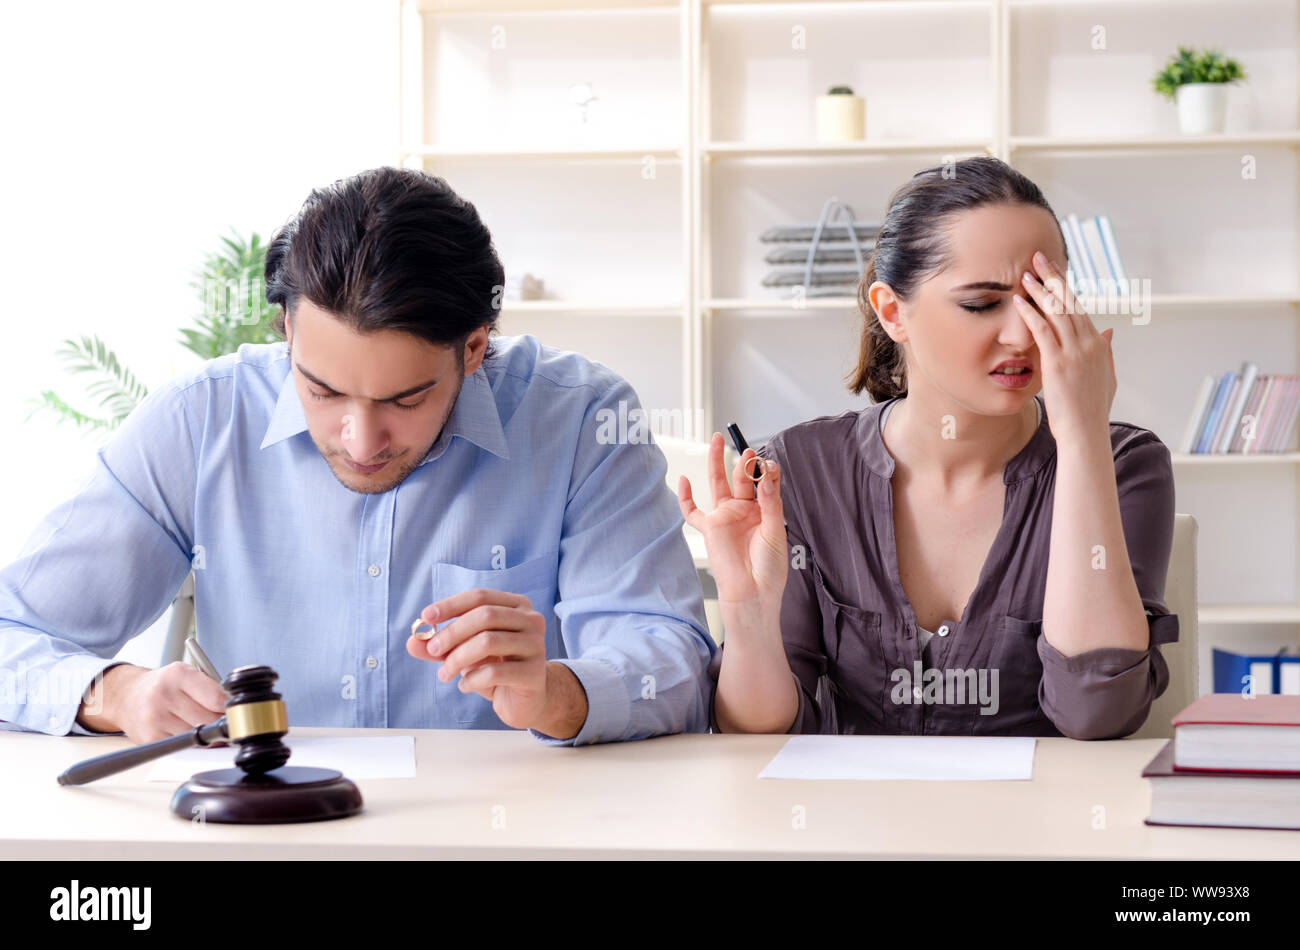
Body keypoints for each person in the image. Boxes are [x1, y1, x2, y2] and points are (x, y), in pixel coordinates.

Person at [0, 166, 714, 746]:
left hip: (506, 839)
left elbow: (673, 659)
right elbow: (13, 635)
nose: (358, 440)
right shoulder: (199, 421)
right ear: (286, 332)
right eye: (322, 390)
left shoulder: (583, 419)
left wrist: (558, 693)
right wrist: (110, 692)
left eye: (404, 400)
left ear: (474, 348)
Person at [680, 155, 1179, 739]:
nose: (1021, 336)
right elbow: (754, 737)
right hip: (849, 824)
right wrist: (746, 611)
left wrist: (1083, 438)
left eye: (1042, 300)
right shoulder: (803, 472)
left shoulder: (1123, 465)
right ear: (893, 311)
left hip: (1046, 827)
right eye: (981, 304)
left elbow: (1099, 712)